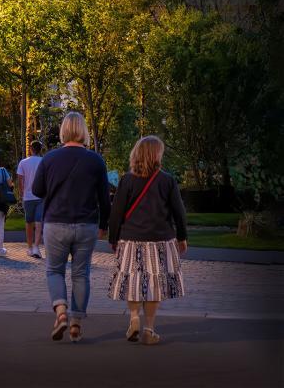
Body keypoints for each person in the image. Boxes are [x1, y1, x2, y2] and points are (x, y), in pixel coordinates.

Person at [32, 111, 111, 343]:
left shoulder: (49, 159)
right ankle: (76, 322)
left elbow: (37, 191)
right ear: (84, 131)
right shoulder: (96, 161)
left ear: (63, 131)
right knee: (81, 273)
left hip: (56, 222)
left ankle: (61, 311)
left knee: (54, 270)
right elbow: (105, 199)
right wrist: (104, 225)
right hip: (86, 224)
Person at [108, 135, 187, 345]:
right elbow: (179, 212)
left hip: (131, 238)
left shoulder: (126, 180)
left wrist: (113, 238)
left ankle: (134, 318)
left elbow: (116, 212)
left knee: (132, 279)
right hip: (160, 239)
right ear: (156, 154)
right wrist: (182, 237)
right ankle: (149, 329)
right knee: (155, 284)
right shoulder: (167, 180)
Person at [17, 140, 46, 258]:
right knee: (39, 222)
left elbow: (20, 180)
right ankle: (36, 247)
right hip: (41, 196)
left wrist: (21, 193)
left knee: (29, 222)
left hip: (28, 196)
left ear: (31, 149)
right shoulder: (44, 162)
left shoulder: (23, 162)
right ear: (40, 150)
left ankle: (29, 247)